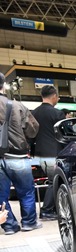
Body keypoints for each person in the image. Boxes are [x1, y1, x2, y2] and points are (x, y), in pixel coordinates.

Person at [0, 72, 41, 235]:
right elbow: (33, 129)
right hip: (17, 156)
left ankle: (9, 225)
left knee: (0, 195)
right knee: (26, 191)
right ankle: (29, 223)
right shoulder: (16, 105)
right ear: (3, 86)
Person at [31, 85, 66, 220]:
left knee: (52, 180)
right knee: (53, 181)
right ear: (54, 96)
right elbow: (63, 134)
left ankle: (53, 208)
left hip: (39, 153)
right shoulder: (57, 114)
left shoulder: (34, 113)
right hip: (53, 153)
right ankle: (46, 210)